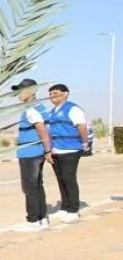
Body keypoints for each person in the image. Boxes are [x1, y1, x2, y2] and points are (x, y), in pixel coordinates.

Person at [11, 78, 53, 232]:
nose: (20, 94)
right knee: (36, 185)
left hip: (30, 153)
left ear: (33, 91)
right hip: (36, 152)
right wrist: (46, 150)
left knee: (29, 187)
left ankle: (33, 220)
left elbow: (41, 128)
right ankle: (42, 217)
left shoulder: (32, 109)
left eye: (23, 90)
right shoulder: (39, 107)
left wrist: (48, 150)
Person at [46, 84, 89, 224]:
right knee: (61, 179)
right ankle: (64, 207)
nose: (53, 96)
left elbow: (81, 126)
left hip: (70, 149)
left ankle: (73, 210)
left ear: (66, 94)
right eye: (51, 93)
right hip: (56, 150)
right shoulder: (52, 112)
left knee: (69, 178)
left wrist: (85, 143)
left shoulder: (72, 109)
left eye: (56, 93)